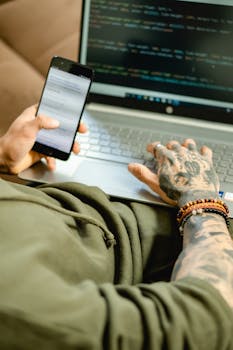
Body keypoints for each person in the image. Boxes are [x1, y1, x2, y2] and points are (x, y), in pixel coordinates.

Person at [0, 105, 232, 349]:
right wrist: (200, 197)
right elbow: (205, 318)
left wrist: (4, 155)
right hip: (181, 234)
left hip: (63, 193)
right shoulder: (16, 310)